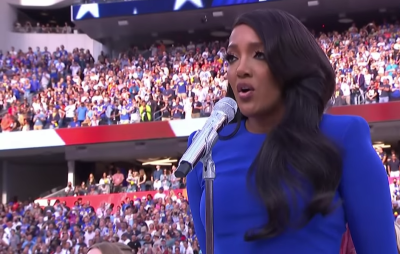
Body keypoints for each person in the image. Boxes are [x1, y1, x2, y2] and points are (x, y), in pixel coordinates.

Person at [186, 9, 397, 254]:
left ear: (292, 64)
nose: (241, 69)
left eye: (259, 54)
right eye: (232, 57)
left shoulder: (344, 137)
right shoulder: (204, 146)